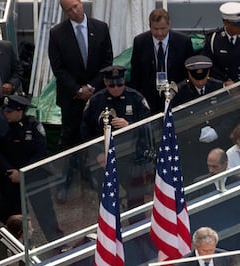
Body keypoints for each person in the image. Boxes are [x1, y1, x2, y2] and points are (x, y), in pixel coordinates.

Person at [81, 65, 153, 210]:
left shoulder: (136, 98)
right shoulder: (96, 101)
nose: (116, 88)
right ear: (106, 83)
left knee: (136, 199)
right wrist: (98, 153)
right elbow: (85, 132)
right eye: (112, 85)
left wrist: (130, 125)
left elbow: (148, 127)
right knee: (107, 201)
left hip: (131, 157)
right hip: (104, 158)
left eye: (119, 84)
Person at [48, 0, 113, 151]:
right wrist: (78, 90)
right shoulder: (57, 33)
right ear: (65, 12)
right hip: (71, 99)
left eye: (76, 6)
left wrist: (91, 87)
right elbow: (58, 68)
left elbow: (107, 60)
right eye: (70, 10)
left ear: (81, 3)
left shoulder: (100, 28)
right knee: (70, 141)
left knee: (96, 137)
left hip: (97, 94)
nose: (75, 11)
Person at [0, 95, 63, 241]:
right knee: (17, 216)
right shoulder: (2, 126)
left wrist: (22, 172)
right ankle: (20, 247)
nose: (6, 114)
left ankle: (57, 242)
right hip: (10, 178)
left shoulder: (33, 126)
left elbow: (40, 153)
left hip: (34, 175)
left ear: (20, 111)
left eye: (10, 111)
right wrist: (9, 172)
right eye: (5, 111)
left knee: (45, 211)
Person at [130, 8, 194, 114]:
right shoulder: (140, 42)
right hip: (149, 98)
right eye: (155, 29)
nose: (159, 33)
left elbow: (189, 72)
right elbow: (136, 75)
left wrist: (178, 88)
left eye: (163, 28)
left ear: (169, 24)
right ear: (149, 26)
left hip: (176, 96)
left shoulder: (183, 42)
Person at [202, 2, 240, 85]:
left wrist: (238, 82)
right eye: (237, 25)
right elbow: (209, 64)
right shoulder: (213, 39)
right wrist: (224, 82)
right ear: (226, 23)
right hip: (220, 85)